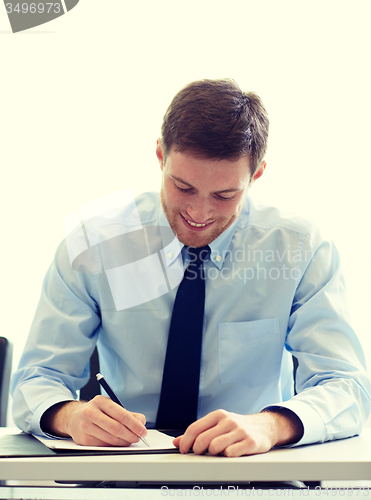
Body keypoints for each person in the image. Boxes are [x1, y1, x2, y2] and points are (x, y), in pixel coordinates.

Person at [11, 79, 370, 458]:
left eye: (224, 195)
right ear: (159, 156)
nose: (199, 214)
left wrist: (271, 424)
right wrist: (69, 416)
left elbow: (346, 386)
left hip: (250, 468)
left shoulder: (301, 248)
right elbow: (36, 380)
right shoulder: (95, 243)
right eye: (183, 187)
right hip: (121, 468)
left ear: (257, 174)